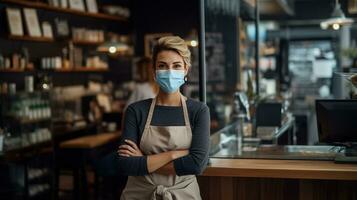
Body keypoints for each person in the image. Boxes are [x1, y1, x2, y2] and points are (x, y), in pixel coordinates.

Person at [117, 36, 210, 199]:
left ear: (186, 70)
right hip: (140, 194)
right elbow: (127, 165)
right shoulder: (136, 111)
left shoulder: (199, 111)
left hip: (183, 195)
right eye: (162, 66)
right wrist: (174, 154)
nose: (169, 72)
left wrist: (144, 160)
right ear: (154, 71)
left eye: (176, 66)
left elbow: (197, 165)